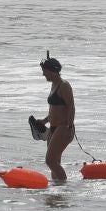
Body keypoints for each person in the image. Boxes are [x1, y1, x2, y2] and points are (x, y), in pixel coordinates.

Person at [35, 54, 74, 183]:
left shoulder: (64, 85)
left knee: (50, 161)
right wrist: (44, 121)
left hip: (64, 127)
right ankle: (57, 192)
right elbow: (54, 109)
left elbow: (71, 107)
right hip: (53, 127)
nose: (43, 75)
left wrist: (69, 126)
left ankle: (64, 188)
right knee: (55, 162)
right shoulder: (53, 84)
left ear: (53, 71)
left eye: (45, 72)